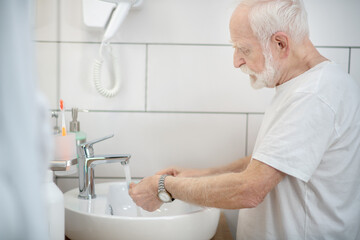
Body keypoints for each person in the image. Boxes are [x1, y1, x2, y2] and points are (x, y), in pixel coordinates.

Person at [129, 0, 360, 239]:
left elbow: (249, 190)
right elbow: (270, 160)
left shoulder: (314, 96)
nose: (236, 61)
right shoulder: (306, 87)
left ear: (280, 44)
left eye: (244, 49)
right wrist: (202, 174)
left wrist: (163, 187)